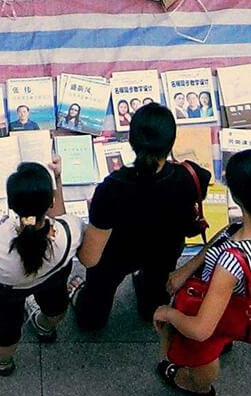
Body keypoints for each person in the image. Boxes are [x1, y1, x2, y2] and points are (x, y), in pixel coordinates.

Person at [152, 149, 251, 396]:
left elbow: (201, 330)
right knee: (223, 336)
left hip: (222, 306)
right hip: (248, 294)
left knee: (204, 351)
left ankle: (197, 384)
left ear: (235, 196)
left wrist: (168, 313)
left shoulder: (231, 261)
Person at [74, 103, 211, 331]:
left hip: (116, 256)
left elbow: (89, 258)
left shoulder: (111, 189)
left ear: (131, 141)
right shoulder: (191, 176)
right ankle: (150, 310)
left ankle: (92, 319)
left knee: (97, 299)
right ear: (171, 143)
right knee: (155, 293)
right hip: (165, 251)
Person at [0, 159, 81, 375]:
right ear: (50, 202)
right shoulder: (70, 231)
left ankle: (2, 361)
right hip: (53, 280)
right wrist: (57, 178)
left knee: (6, 328)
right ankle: (45, 327)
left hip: (6, 292)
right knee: (55, 305)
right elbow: (61, 217)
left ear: (12, 206)